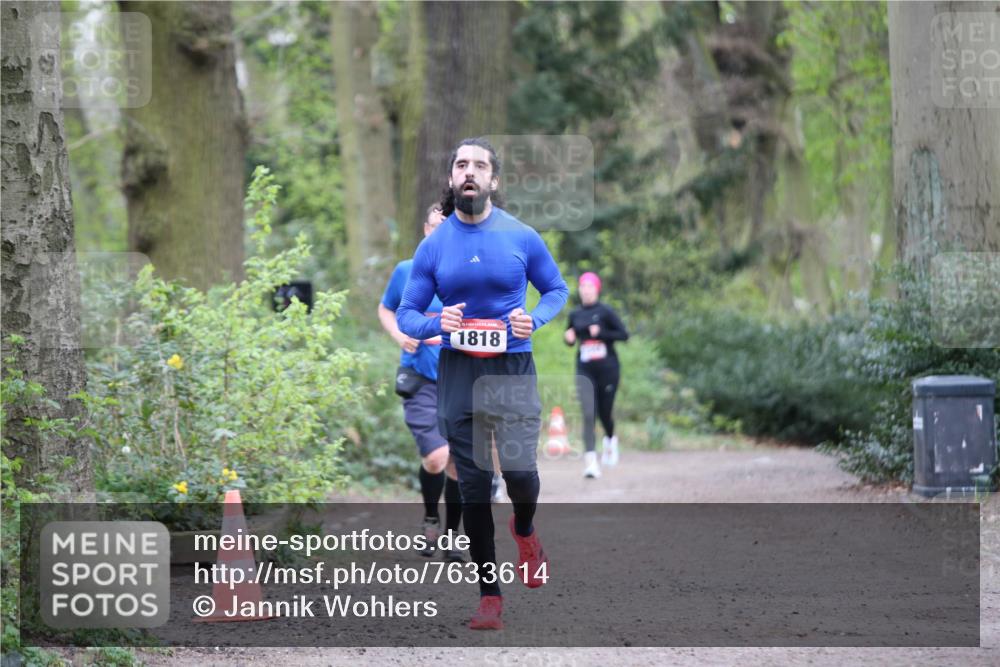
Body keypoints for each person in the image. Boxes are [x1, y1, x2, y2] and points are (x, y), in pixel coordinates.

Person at [396, 137, 569, 630]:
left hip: (511, 368)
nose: (468, 171)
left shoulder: (521, 236)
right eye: (460, 164)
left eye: (479, 165)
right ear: (452, 179)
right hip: (458, 373)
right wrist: (438, 324)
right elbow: (408, 313)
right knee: (472, 487)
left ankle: (526, 529)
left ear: (494, 180)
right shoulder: (433, 246)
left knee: (519, 475)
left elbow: (557, 289)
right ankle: (489, 595)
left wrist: (532, 321)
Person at [378, 202, 464, 562]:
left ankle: (451, 536)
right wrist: (400, 335)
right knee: (436, 457)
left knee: (458, 462)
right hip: (419, 378)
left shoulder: (467, 277)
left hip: (459, 375)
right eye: (434, 227)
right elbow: (386, 308)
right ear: (426, 231)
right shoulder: (407, 271)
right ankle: (430, 518)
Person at [564, 271, 629, 478]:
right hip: (585, 369)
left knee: (605, 412)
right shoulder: (575, 314)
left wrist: (600, 333)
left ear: (597, 290)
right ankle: (591, 462)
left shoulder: (606, 312)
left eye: (590, 287)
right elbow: (570, 338)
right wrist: (569, 337)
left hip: (608, 369)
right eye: (583, 287)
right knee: (588, 413)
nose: (586, 291)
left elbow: (623, 334)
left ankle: (610, 439)